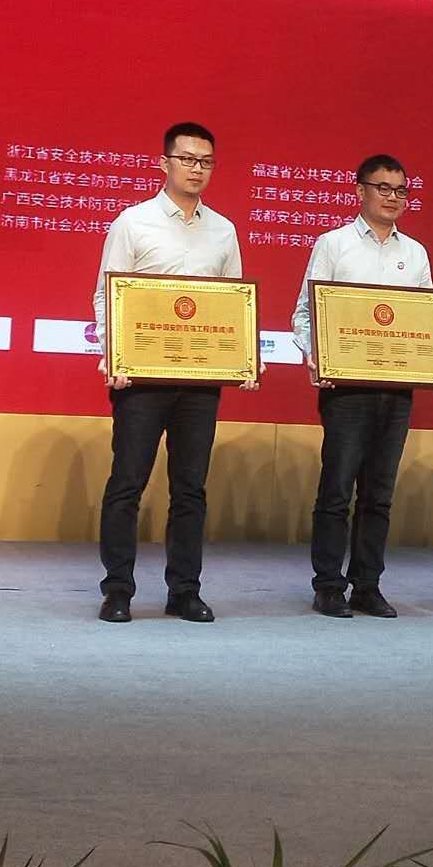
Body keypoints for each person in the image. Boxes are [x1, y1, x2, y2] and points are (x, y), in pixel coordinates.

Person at [93, 122, 255, 625]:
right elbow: (106, 295)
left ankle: (184, 591)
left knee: (190, 489)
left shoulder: (223, 230)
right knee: (128, 483)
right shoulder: (133, 222)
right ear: (165, 163)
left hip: (199, 382)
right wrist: (115, 356)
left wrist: (244, 358)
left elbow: (233, 303)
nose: (196, 169)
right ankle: (117, 590)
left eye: (205, 161)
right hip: (141, 380)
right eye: (187, 159)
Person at [292, 154, 432, 619]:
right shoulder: (333, 244)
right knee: (337, 489)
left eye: (400, 191)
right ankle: (328, 585)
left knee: (379, 493)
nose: (392, 198)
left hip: (396, 389)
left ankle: (367, 585)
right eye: (382, 188)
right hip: (346, 390)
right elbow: (305, 313)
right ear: (360, 191)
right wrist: (317, 355)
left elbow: (425, 322)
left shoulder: (415, 254)